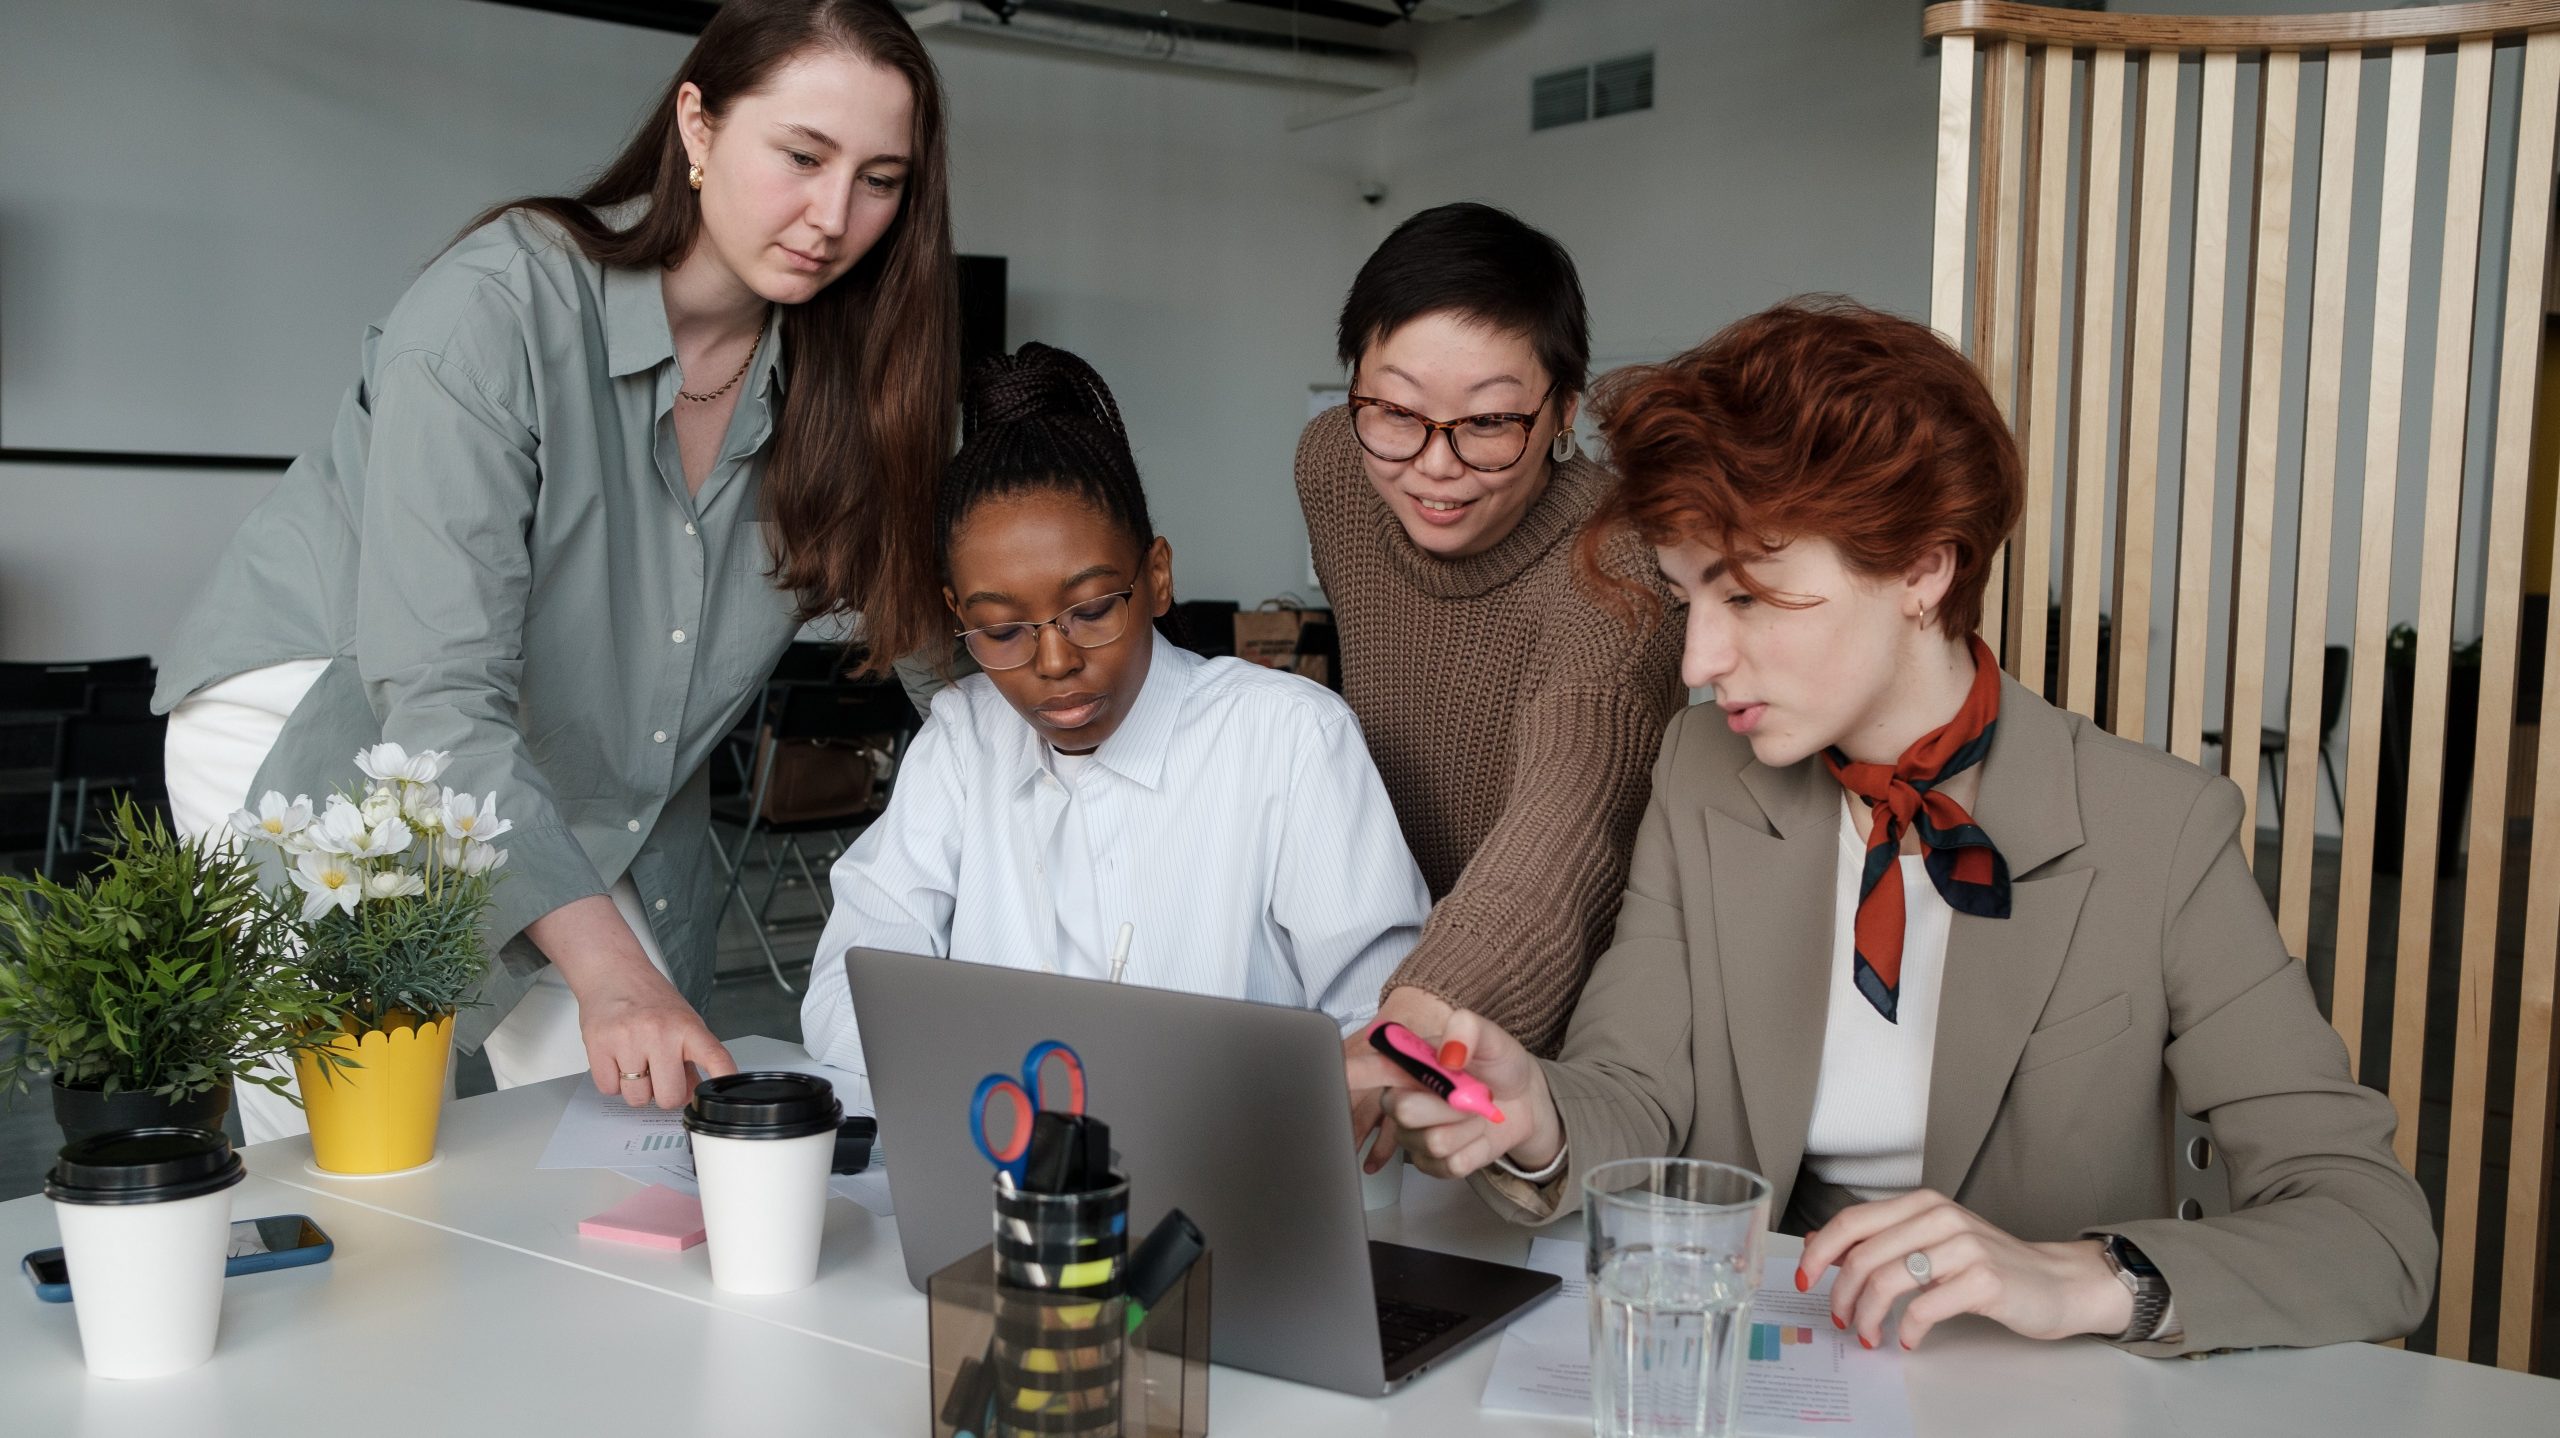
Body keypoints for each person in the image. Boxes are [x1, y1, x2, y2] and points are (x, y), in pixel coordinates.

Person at [1352, 298, 2436, 1356]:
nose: (1697, 662)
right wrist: (1535, 1111)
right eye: (1689, 602)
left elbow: (2371, 1229)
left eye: (1750, 600)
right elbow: (1637, 1093)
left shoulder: (2155, 829)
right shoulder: (1701, 774)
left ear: (1923, 568)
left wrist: (2084, 1274)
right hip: (1767, 1370)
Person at [153, 0, 959, 1137]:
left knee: (626, 1139)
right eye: (801, 156)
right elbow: (433, 697)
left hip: (558, 754)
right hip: (325, 723)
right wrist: (611, 975)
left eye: (880, 179)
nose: (833, 217)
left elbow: (951, 664)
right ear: (698, 123)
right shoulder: (495, 310)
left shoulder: (848, 382)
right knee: (368, 1146)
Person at [799, 345, 1429, 1102]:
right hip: (1007, 1175)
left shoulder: (1290, 739)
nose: (1055, 661)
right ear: (958, 616)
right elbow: (845, 994)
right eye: (1001, 631)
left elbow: (1381, 1022)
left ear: (1157, 575)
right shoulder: (963, 745)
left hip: (1231, 1187)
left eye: (1092, 610)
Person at [1295, 204, 1683, 1164]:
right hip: (1375, 984)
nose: (1435, 465)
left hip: (1550, 1030)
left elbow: (1570, 823)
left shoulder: (1620, 559)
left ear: (1563, 410)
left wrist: (1415, 1018)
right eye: (1395, 411)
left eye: (1489, 423)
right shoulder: (1334, 467)